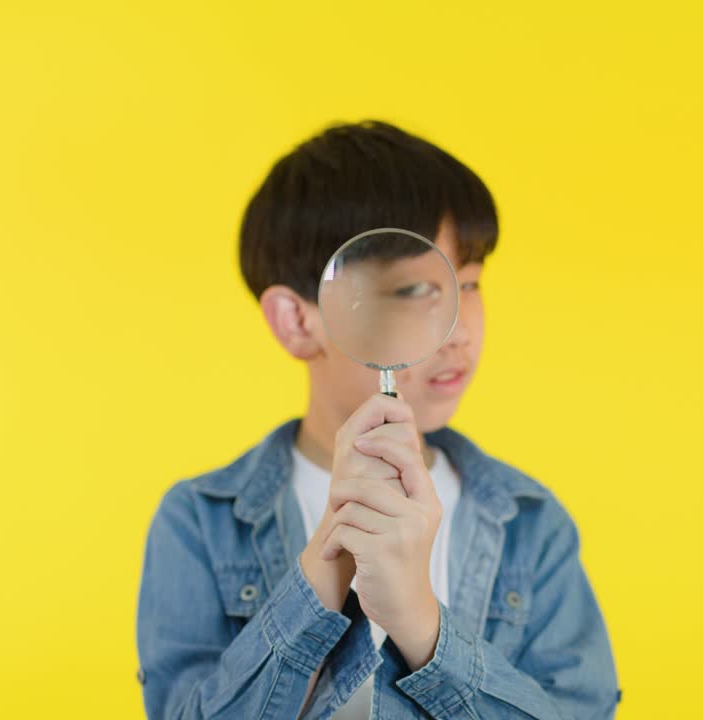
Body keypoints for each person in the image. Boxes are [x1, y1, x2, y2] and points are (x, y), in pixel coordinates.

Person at [135, 120, 620, 719]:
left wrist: (421, 624)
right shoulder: (200, 523)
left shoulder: (530, 524)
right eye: (413, 290)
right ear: (297, 321)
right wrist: (325, 570)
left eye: (469, 284)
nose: (459, 330)